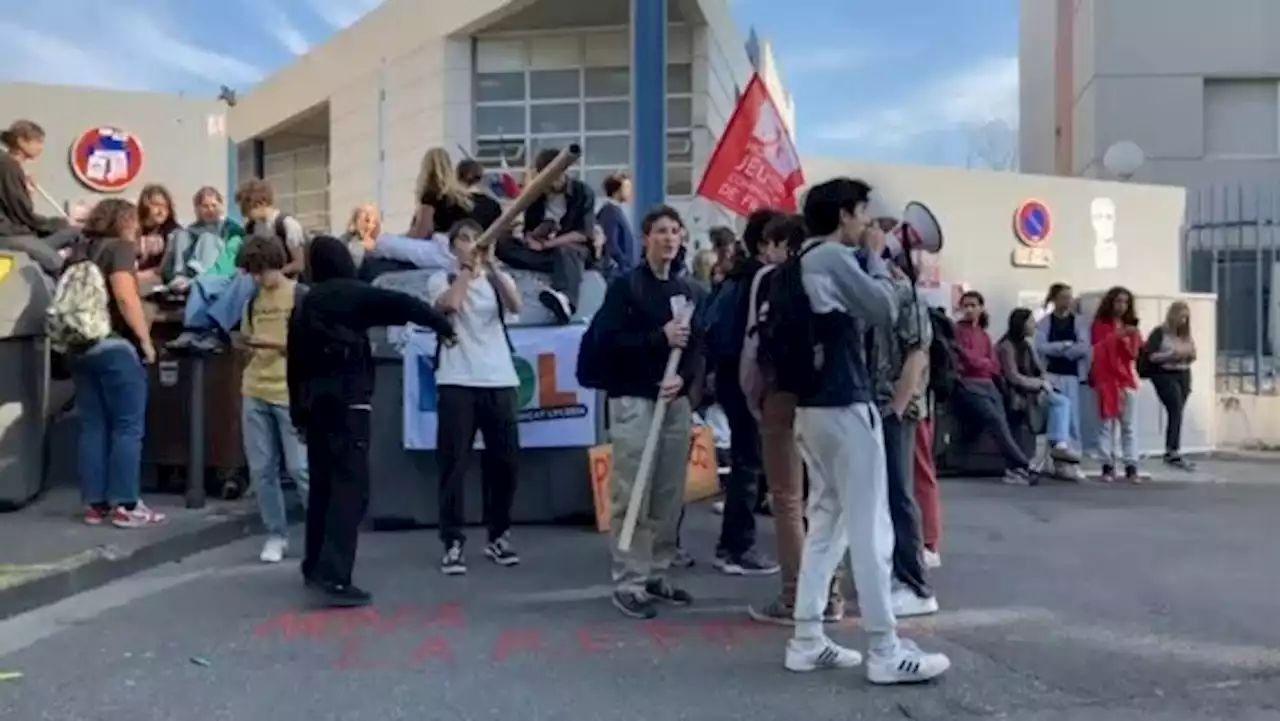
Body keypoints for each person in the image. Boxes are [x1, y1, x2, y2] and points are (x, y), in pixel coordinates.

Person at [775, 177, 949, 683]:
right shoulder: (830, 257)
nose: (868, 225)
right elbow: (884, 307)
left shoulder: (798, 262)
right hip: (845, 405)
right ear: (845, 214)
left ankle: (807, 637)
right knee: (872, 527)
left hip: (814, 409)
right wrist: (875, 259)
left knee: (827, 521)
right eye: (863, 215)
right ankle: (885, 648)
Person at [288, 236, 457, 607]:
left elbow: (293, 365)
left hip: (314, 406)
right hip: (350, 403)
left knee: (322, 488)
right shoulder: (354, 294)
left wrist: (297, 413)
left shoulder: (304, 304)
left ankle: (314, 565)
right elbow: (401, 305)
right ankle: (336, 576)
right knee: (350, 490)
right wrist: (442, 327)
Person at [584, 205, 704, 620]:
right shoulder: (626, 288)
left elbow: (697, 349)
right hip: (634, 399)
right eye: (661, 232)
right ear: (646, 238)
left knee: (668, 492)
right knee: (632, 489)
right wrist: (659, 337)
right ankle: (629, 579)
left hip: (674, 402)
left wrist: (684, 381)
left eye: (675, 231)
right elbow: (609, 342)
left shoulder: (690, 291)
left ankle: (657, 571)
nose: (669, 238)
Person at [747, 213, 847, 625]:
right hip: (826, 397)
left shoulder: (769, 280)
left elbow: (752, 347)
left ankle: (794, 597)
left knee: (787, 499)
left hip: (781, 395)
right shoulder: (831, 276)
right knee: (826, 501)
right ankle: (833, 594)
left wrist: (754, 395)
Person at [427, 220, 524, 574]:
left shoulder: (499, 280)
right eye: (464, 239)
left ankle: (498, 535)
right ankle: (452, 541)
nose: (472, 244)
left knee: (505, 463)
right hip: (457, 379)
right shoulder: (443, 279)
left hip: (498, 379)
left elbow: (515, 305)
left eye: (476, 238)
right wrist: (467, 270)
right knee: (453, 464)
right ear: (453, 247)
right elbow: (449, 307)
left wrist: (492, 266)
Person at [68, 199, 166, 528]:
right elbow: (125, 296)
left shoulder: (81, 249)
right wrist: (145, 341)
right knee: (127, 427)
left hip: (79, 347)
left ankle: (96, 506)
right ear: (125, 220)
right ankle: (126, 504)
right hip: (114, 346)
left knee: (93, 427)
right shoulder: (119, 249)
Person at [702, 210, 782, 577]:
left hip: (728, 374)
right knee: (748, 462)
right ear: (767, 243)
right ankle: (736, 546)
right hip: (748, 378)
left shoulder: (734, 277)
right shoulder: (761, 279)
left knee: (744, 460)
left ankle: (734, 543)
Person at [870, 245, 939, 618]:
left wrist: (897, 408)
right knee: (888, 494)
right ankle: (899, 575)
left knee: (899, 493)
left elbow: (917, 353)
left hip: (894, 407)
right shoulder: (880, 292)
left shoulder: (904, 295)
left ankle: (915, 583)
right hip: (881, 405)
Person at [236, 236, 309, 564]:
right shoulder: (252, 299)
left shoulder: (298, 295)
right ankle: (275, 534)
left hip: (288, 390)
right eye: (251, 272)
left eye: (260, 270)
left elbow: (310, 345)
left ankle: (318, 530)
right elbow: (246, 336)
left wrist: (272, 346)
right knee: (261, 469)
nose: (256, 277)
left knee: (300, 468)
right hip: (255, 387)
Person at [497, 147, 596, 324]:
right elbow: (529, 230)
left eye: (554, 178)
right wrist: (533, 236)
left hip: (573, 250)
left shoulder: (582, 192)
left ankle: (565, 300)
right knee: (503, 244)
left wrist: (548, 245)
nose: (550, 184)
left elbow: (583, 233)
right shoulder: (536, 195)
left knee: (566, 250)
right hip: (545, 253)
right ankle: (558, 271)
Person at [950, 290, 1034, 484]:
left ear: (981, 308)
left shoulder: (984, 335)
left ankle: (1012, 466)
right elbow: (964, 359)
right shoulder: (956, 331)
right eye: (966, 305)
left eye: (973, 305)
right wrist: (983, 363)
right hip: (968, 384)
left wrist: (981, 363)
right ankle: (1021, 463)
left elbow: (994, 364)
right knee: (994, 419)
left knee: (1001, 421)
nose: (969, 309)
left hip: (988, 384)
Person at [997, 308, 1081, 466]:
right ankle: (1058, 445)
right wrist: (1040, 384)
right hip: (1017, 395)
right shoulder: (1007, 346)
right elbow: (1014, 377)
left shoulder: (1026, 345)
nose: (1034, 325)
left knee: (1061, 402)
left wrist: (1046, 383)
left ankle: (1058, 447)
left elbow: (1039, 370)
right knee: (1060, 403)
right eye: (1030, 322)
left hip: (1031, 392)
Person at [0, 119, 81, 275]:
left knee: (74, 232)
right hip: (9, 236)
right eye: (38, 141)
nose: (41, 147)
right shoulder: (8, 165)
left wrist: (26, 190)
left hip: (18, 234)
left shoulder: (10, 166)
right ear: (21, 141)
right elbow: (23, 213)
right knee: (60, 266)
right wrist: (60, 222)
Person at [1035, 283, 1091, 479]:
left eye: (1069, 297)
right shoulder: (1044, 323)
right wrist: (1064, 346)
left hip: (1072, 376)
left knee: (1073, 419)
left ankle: (1073, 460)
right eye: (1063, 297)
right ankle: (1054, 461)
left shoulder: (1079, 322)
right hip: (1051, 374)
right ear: (1054, 299)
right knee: (1055, 416)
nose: (1067, 301)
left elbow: (1083, 347)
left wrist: (1064, 350)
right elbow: (1041, 347)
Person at [1089, 286, 1143, 482]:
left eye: (1125, 302)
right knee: (1105, 425)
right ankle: (1107, 464)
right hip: (1105, 380)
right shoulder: (1100, 324)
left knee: (1128, 425)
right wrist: (1119, 336)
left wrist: (1131, 338)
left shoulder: (1131, 327)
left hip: (1125, 380)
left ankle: (1131, 464)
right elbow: (1098, 348)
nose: (1121, 306)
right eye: (1118, 301)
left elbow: (1134, 355)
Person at [1145, 301, 1197, 470]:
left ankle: (1172, 448)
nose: (1182, 321)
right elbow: (1151, 356)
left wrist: (1189, 355)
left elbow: (1192, 351)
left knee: (1178, 411)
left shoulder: (1185, 334)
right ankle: (1172, 450)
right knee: (1174, 406)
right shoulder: (1160, 333)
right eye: (1180, 316)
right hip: (1165, 373)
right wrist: (1171, 355)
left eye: (1185, 318)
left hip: (1183, 372)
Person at [135, 184, 180, 287]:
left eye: (165, 206)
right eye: (156, 205)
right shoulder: (133, 229)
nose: (161, 211)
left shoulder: (174, 232)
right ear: (144, 205)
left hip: (158, 282)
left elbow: (164, 269)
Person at [596, 172, 638, 274]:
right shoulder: (609, 211)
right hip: (617, 271)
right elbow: (611, 244)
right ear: (616, 191)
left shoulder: (616, 210)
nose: (630, 192)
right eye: (627, 188)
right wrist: (623, 265)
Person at [342, 203, 381, 269]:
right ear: (355, 222)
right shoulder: (346, 243)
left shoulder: (382, 245)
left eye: (374, 222)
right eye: (367, 220)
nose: (370, 226)